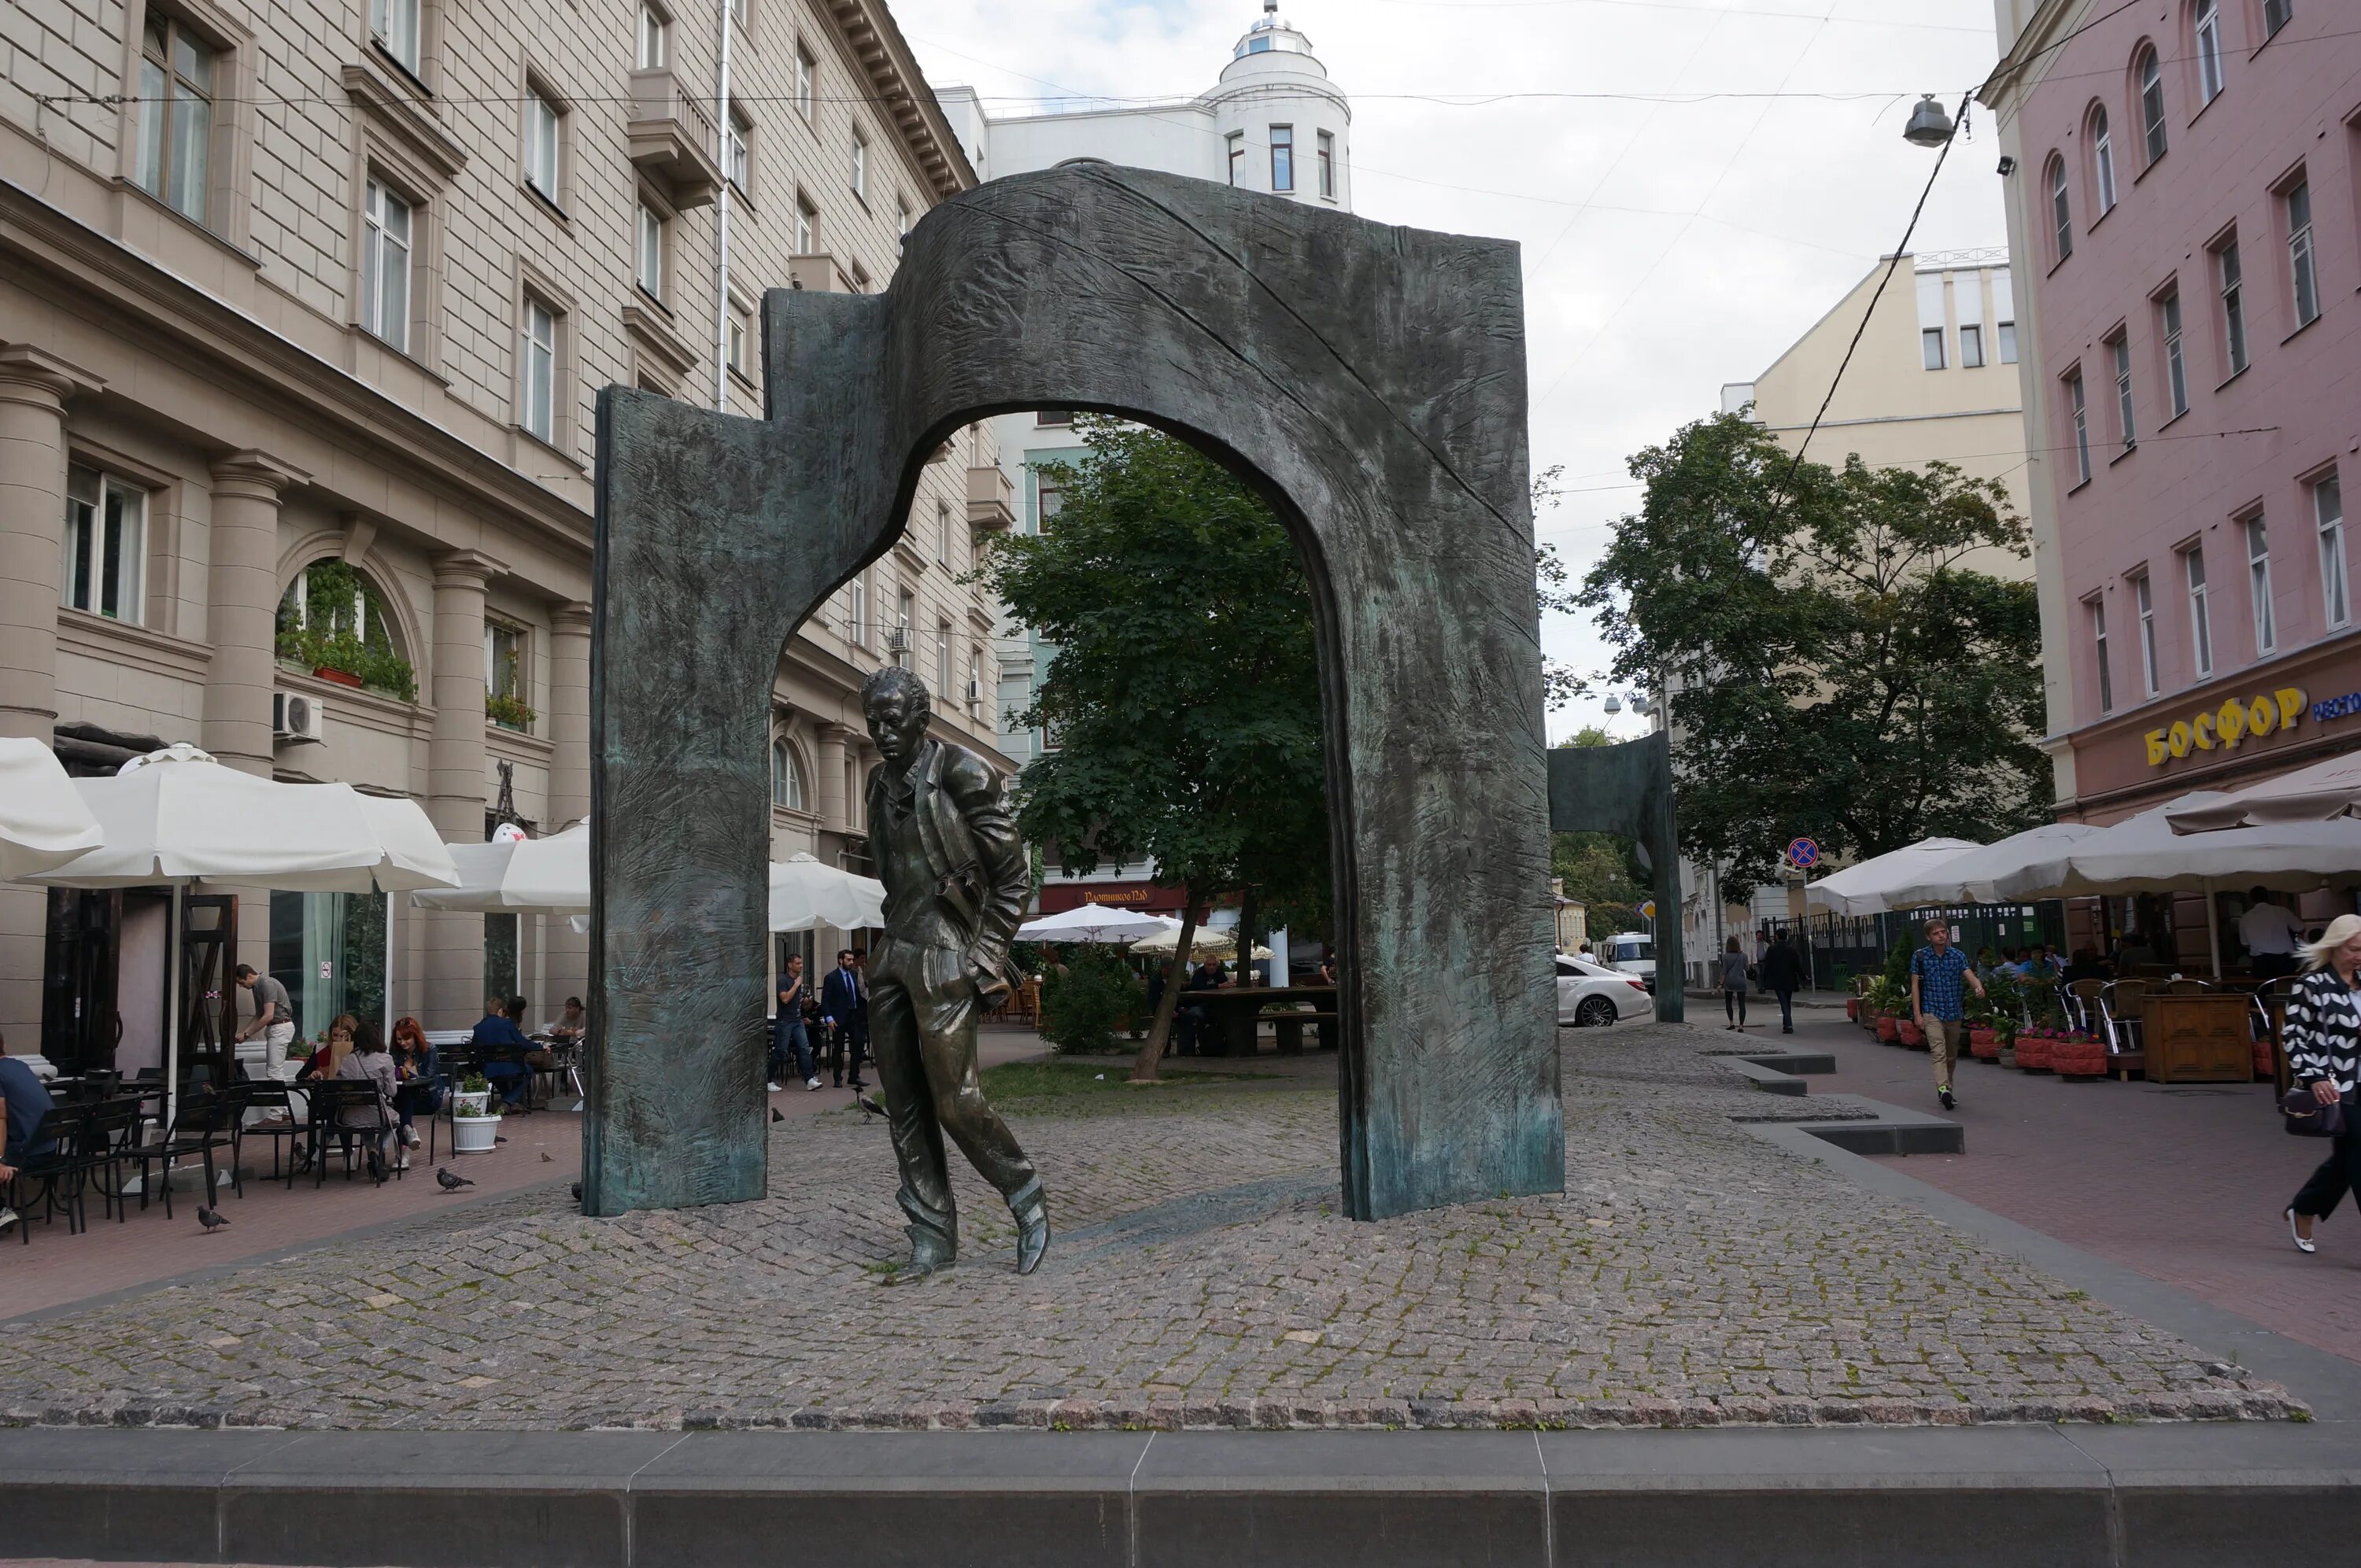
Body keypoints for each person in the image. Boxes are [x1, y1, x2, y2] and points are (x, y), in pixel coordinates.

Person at [858, 666, 1047, 1276]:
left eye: (894, 719)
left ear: (921, 716)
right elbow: (892, 872)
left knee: (956, 1101)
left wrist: (984, 954)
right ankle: (932, 1232)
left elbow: (1014, 877)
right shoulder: (875, 784)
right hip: (893, 951)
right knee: (905, 1104)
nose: (883, 732)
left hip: (946, 952)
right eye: (874, 721)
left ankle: (1026, 1198)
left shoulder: (962, 772)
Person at [2282, 914, 2361, 1254]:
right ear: (2334, 945)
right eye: (2353, 949)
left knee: (2346, 1161)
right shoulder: (2311, 985)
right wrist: (2313, 1077)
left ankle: (2304, 1207)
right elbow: (2292, 1037)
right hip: (2336, 1086)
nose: (2359, 956)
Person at [1909, 917, 1985, 1112]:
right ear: (1928, 937)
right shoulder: (1920, 957)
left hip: (1954, 1011)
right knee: (1938, 1051)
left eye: (1943, 931)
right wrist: (1917, 1014)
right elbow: (1915, 986)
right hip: (1932, 1011)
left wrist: (1978, 987)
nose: (1941, 935)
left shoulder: (1957, 955)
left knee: (1951, 1055)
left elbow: (1969, 974)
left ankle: (1947, 1089)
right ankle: (1943, 1088)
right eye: (1936, 933)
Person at [0, 1029, 59, 1236]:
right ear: (4, 1046)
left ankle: (0, 1211)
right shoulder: (19, 1066)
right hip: (48, 1147)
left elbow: (0, 1120)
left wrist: (1, 1161)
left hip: (26, 1152)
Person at [334, 1020, 401, 1174]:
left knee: (364, 1116)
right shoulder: (384, 1059)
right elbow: (392, 1092)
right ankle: (378, 1149)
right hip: (376, 1114)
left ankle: (371, 1148)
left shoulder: (347, 1060)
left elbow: (338, 1086)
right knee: (395, 1119)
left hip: (348, 1117)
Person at [233, 963, 297, 1082]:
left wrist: (247, 1035)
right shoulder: (258, 986)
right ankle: (280, 1098)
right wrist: (244, 1033)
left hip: (280, 1027)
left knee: (274, 1072)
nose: (241, 986)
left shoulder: (267, 984)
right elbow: (259, 1014)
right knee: (274, 1071)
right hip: (277, 1027)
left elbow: (268, 1016)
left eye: (241, 983)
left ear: (249, 976)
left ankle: (282, 1100)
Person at [471, 994, 536, 1109]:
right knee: (527, 1071)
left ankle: (510, 1102)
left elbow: (474, 1048)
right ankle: (508, 1101)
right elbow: (523, 1043)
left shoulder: (478, 1027)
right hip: (508, 1066)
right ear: (500, 1011)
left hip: (488, 1068)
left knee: (496, 1074)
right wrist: (541, 1047)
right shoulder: (507, 1024)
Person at [388, 1017, 439, 1150]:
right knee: (403, 1101)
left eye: (406, 1039)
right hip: (403, 1096)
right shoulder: (395, 1052)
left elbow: (428, 1077)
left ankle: (403, 1152)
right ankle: (408, 1134)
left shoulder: (430, 1050)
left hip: (426, 1096)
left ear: (415, 1036)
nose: (403, 1043)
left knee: (401, 1106)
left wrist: (412, 1073)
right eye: (399, 1039)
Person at [820, 949, 868, 1090]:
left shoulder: (854, 974)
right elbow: (826, 1000)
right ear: (840, 960)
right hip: (839, 1018)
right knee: (838, 1048)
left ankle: (854, 1075)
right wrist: (829, 1018)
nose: (852, 962)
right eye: (848, 960)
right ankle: (837, 1077)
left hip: (854, 1016)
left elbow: (858, 996)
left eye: (852, 959)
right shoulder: (831, 977)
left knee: (859, 1044)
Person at [771, 954, 818, 1093]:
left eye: (801, 963)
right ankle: (767, 1079)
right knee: (780, 1051)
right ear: (790, 965)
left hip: (797, 1021)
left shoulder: (799, 981)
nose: (801, 966)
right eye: (798, 963)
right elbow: (785, 999)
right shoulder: (783, 981)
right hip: (784, 1021)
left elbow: (795, 1002)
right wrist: (796, 985)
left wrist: (805, 1002)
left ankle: (810, 1080)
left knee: (804, 1049)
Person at [2242, 887, 2306, 982]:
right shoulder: (2282, 911)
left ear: (2251, 899)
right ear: (2268, 897)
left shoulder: (2245, 917)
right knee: (2286, 989)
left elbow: (2245, 943)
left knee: (2264, 991)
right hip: (2283, 959)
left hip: (2260, 961)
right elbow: (2300, 928)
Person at [1759, 931, 1805, 1035]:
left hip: (1777, 980)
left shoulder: (1772, 950)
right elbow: (1797, 966)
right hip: (1789, 979)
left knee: (1784, 1003)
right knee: (1787, 1002)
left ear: (1777, 937)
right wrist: (1803, 976)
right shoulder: (1791, 950)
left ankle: (1788, 1025)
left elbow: (1767, 966)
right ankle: (1786, 1024)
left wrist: (1764, 980)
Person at [1718, 936, 1750, 1030]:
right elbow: (1747, 968)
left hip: (1729, 982)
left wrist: (1720, 984)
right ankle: (1741, 1025)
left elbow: (1724, 972)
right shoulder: (1743, 956)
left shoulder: (1725, 956)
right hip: (1741, 981)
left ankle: (1731, 1023)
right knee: (1742, 1004)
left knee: (1728, 1002)